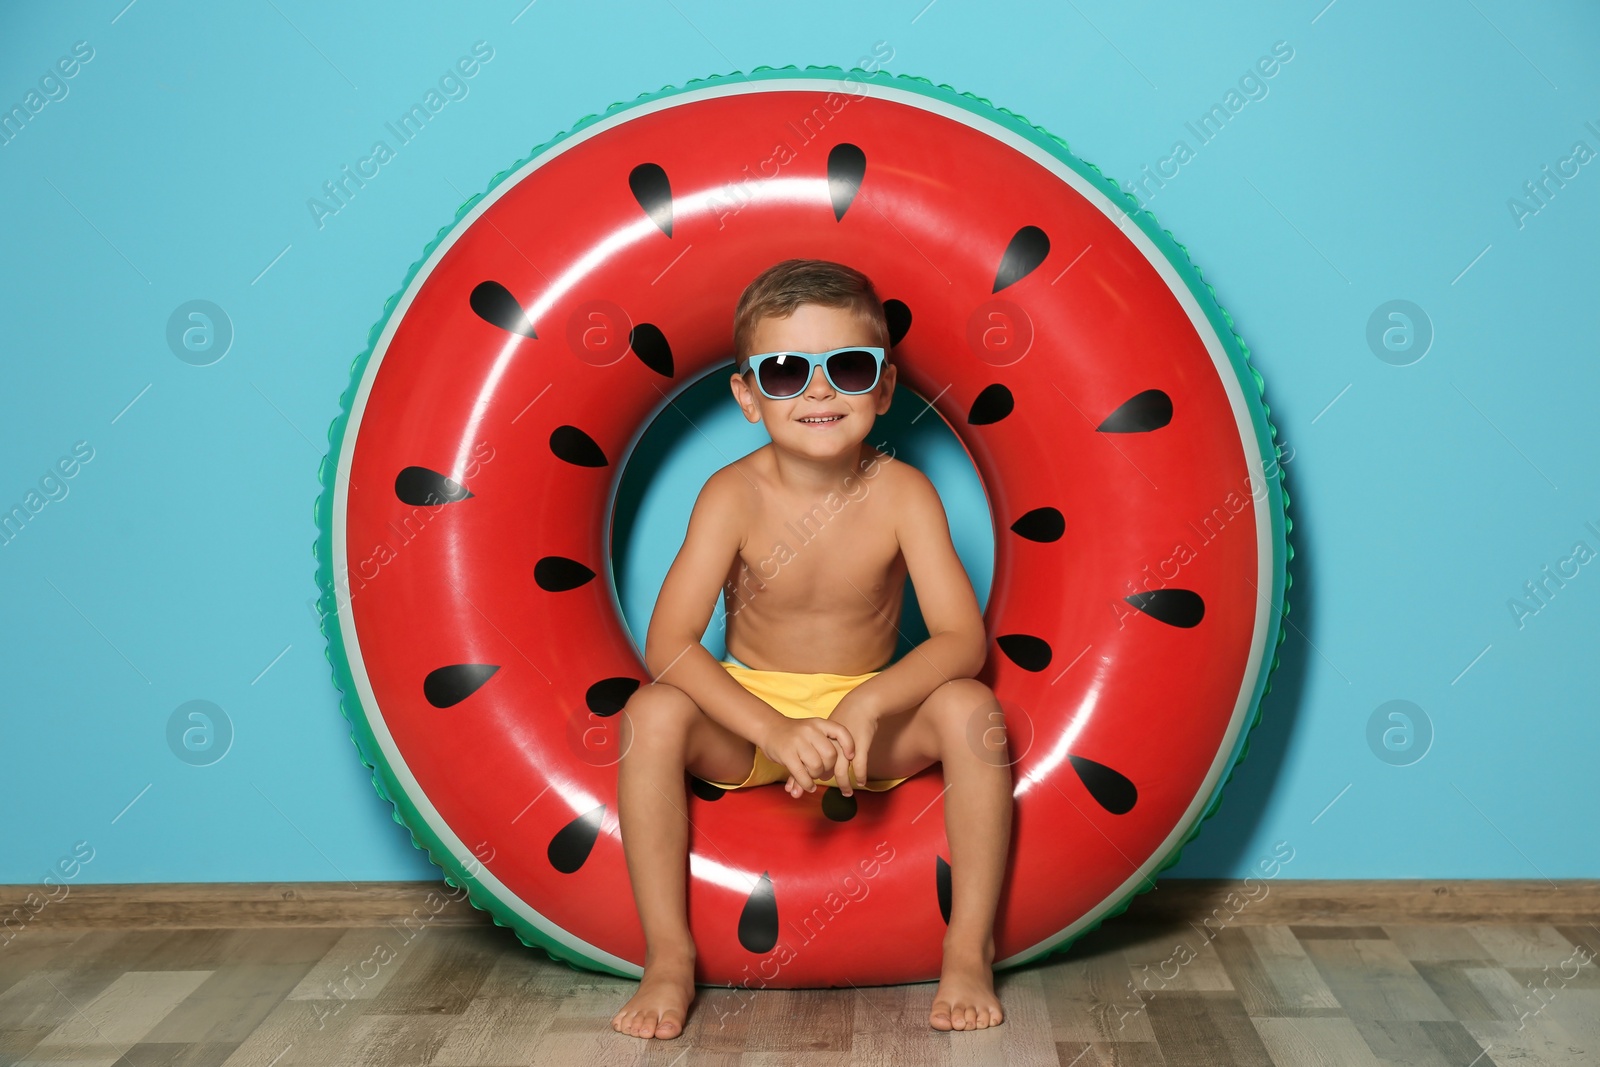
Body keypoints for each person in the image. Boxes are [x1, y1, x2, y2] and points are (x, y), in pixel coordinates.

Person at [611, 258, 1012, 1039]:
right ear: (749, 397)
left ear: (885, 387)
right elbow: (669, 643)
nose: (819, 390)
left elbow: (963, 640)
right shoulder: (733, 495)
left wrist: (871, 699)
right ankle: (667, 955)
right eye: (787, 370)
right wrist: (772, 727)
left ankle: (968, 949)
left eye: (848, 367)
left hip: (874, 716)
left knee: (972, 709)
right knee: (652, 714)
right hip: (754, 715)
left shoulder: (904, 494)